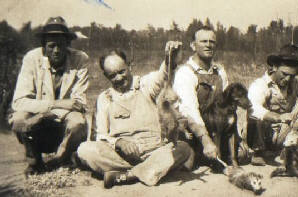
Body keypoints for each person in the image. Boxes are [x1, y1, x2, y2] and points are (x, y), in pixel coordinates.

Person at [76, 43, 195, 188]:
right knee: (85, 149)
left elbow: (162, 74)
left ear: (129, 66)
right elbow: (100, 135)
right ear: (106, 76)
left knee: (183, 148)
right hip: (122, 157)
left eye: (121, 72)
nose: (118, 78)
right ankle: (149, 171)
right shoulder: (104, 98)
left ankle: (127, 176)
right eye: (112, 75)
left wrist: (169, 58)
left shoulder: (145, 84)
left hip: (154, 151)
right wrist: (119, 142)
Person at [8, 16, 89, 175]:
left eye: (61, 45)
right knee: (18, 119)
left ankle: (61, 159)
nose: (57, 50)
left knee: (78, 122)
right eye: (51, 46)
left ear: (68, 44)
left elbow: (79, 103)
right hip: (40, 119)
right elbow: (18, 102)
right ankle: (35, 161)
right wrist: (54, 105)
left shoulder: (80, 59)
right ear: (44, 47)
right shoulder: (32, 58)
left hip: (61, 123)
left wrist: (47, 112)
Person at [248, 45, 298, 164]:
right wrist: (277, 117)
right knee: (255, 114)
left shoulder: (297, 83)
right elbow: (252, 108)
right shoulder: (261, 84)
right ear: (274, 67)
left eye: (292, 76)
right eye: (284, 74)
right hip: (261, 135)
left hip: (282, 134)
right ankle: (259, 153)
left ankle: (292, 149)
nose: (287, 79)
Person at [173, 26, 231, 168]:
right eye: (203, 41)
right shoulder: (185, 73)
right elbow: (189, 111)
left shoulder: (220, 71)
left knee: (240, 156)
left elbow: (226, 105)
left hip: (214, 130)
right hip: (191, 131)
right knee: (188, 166)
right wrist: (205, 140)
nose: (208, 45)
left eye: (212, 42)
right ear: (193, 45)